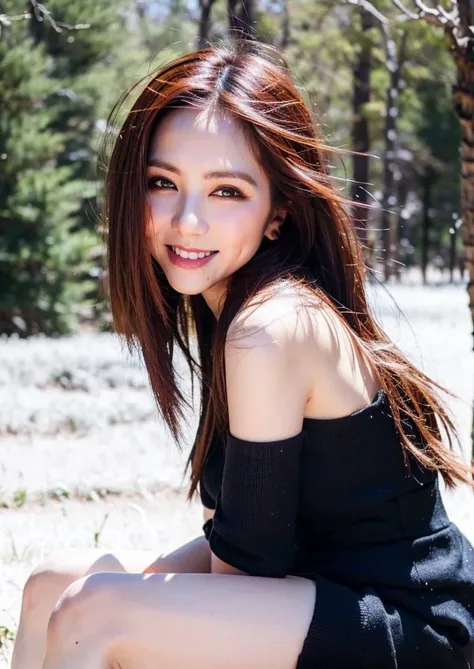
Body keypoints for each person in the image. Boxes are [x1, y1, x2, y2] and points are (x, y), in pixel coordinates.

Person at [11, 39, 474, 669]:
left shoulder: (269, 324)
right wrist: (129, 589)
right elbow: (238, 541)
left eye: (226, 191)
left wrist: (125, 611)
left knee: (93, 615)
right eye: (163, 183)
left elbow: (243, 577)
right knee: (54, 588)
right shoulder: (231, 307)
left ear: (279, 211)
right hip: (316, 600)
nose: (189, 220)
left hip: (407, 628)